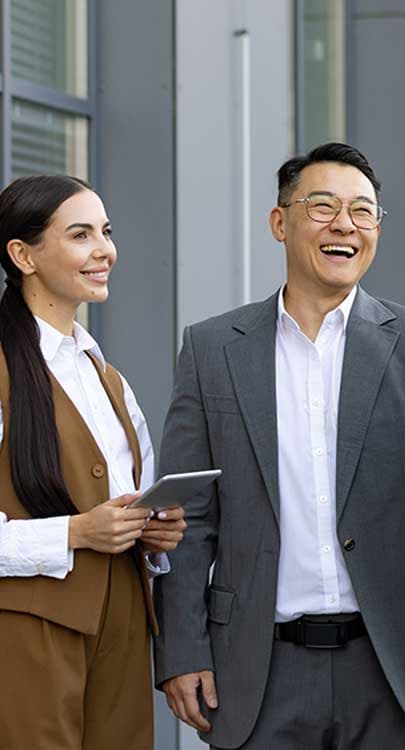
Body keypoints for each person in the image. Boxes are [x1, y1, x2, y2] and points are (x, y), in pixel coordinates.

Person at [154, 142, 405, 749]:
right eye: (324, 206)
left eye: (364, 212)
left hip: (392, 663)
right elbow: (186, 516)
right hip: (259, 669)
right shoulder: (210, 350)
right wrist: (181, 647)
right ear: (280, 222)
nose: (345, 225)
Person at [0, 175, 186, 749]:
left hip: (124, 630)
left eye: (106, 232)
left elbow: (137, 496)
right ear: (22, 254)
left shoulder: (108, 379)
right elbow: (85, 528)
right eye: (80, 234)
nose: (104, 249)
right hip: (27, 636)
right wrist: (77, 533)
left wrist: (153, 532)